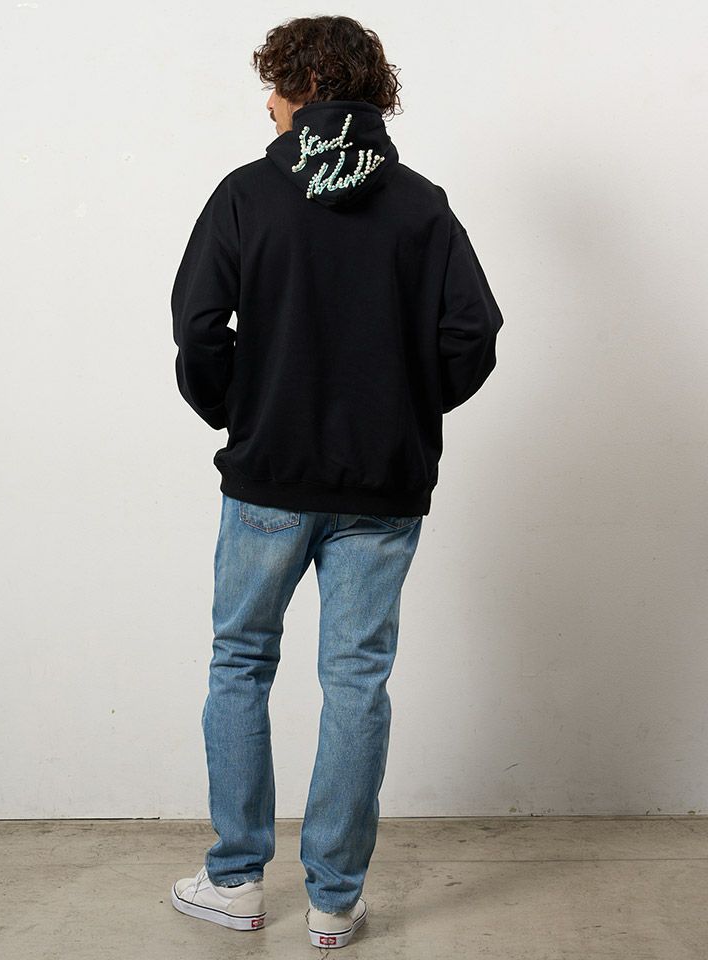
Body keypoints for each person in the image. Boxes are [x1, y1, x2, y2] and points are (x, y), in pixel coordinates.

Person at [169, 14, 504, 949]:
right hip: (383, 487)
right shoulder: (421, 204)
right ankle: (334, 902)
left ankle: (236, 882)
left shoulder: (248, 194)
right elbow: (473, 334)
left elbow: (198, 326)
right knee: (356, 680)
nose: (268, 107)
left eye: (275, 87)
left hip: (269, 478)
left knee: (242, 662)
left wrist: (242, 410)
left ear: (306, 86)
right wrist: (403, 409)